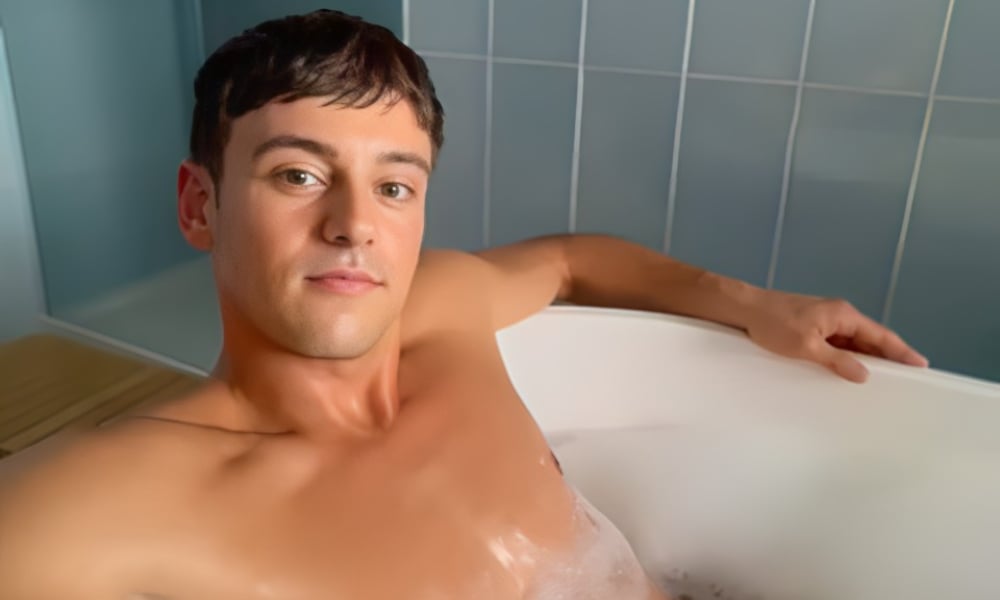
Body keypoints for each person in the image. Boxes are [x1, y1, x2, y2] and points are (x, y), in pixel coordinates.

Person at [0, 10, 928, 599]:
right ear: (200, 205)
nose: (354, 224)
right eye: (298, 174)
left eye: (394, 187)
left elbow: (568, 262)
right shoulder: (122, 500)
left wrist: (756, 305)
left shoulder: (438, 310)